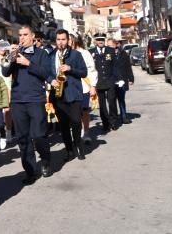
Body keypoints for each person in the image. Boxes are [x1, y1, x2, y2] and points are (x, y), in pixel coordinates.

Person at [2, 26, 54, 185]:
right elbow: (5, 73)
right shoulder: (15, 53)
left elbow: (47, 73)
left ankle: (45, 159)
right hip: (18, 101)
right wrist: (11, 56)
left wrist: (28, 63)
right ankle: (30, 171)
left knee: (39, 135)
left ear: (32, 37)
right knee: (23, 138)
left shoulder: (41, 54)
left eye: (25, 35)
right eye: (20, 35)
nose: (22, 38)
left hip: (36, 99)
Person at [49, 30, 88, 161]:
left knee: (76, 121)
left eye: (63, 39)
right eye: (58, 39)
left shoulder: (76, 55)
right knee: (64, 125)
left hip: (74, 94)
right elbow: (47, 73)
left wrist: (70, 69)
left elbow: (84, 72)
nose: (61, 42)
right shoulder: (51, 55)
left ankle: (78, 145)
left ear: (68, 40)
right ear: (56, 41)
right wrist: (51, 80)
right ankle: (69, 150)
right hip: (58, 95)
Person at [91, 34, 121, 132]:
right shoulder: (91, 52)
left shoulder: (111, 50)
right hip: (98, 82)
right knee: (102, 105)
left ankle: (113, 122)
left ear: (104, 40)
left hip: (110, 81)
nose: (100, 41)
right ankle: (105, 124)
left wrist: (118, 79)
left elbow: (115, 66)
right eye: (98, 40)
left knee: (112, 102)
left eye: (102, 40)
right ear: (95, 41)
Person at [72, 36, 98, 145]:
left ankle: (86, 132)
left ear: (75, 41)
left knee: (84, 110)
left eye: (68, 40)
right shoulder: (65, 54)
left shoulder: (85, 53)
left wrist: (93, 86)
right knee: (73, 113)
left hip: (84, 86)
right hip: (71, 87)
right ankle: (76, 133)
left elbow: (92, 70)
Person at [108, 39, 135, 124]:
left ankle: (124, 117)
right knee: (111, 101)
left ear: (115, 45)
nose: (108, 47)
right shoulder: (106, 54)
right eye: (107, 45)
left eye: (110, 45)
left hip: (121, 80)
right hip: (111, 81)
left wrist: (131, 78)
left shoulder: (123, 54)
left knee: (121, 99)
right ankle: (113, 119)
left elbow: (128, 67)